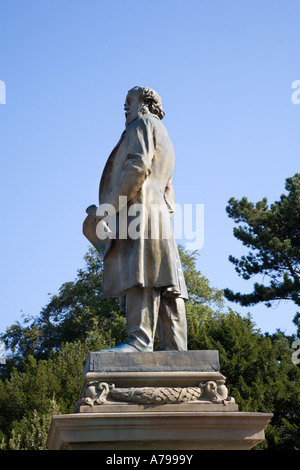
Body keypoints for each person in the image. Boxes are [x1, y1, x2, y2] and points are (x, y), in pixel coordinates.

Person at [84, 86, 188, 352]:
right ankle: (177, 350)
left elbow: (136, 167)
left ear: (144, 104)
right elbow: (170, 194)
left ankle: (139, 340)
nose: (125, 108)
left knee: (139, 271)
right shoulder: (165, 135)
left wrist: (108, 208)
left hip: (138, 208)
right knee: (165, 281)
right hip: (160, 215)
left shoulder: (141, 125)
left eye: (128, 102)